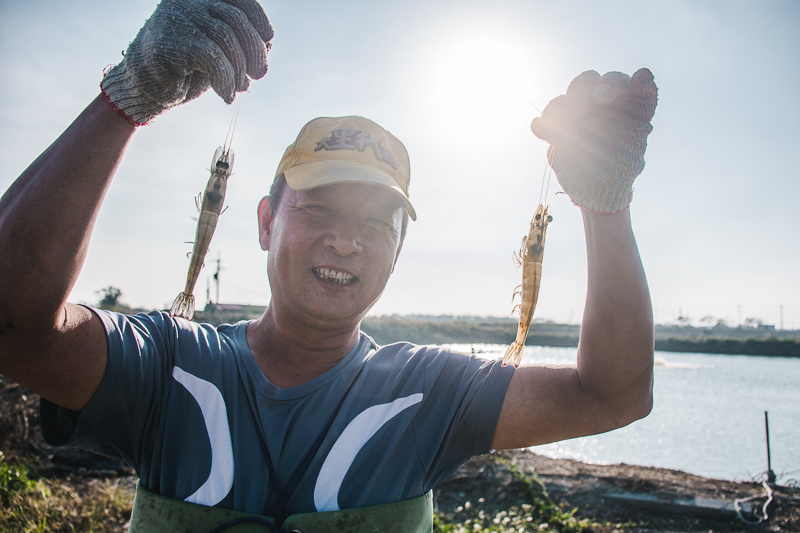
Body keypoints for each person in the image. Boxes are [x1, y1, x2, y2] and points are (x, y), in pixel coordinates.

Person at [0, 1, 656, 531]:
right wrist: (128, 94)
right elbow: (14, 326)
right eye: (320, 210)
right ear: (265, 221)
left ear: (398, 250)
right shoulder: (170, 362)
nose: (347, 242)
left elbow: (612, 393)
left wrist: (605, 206)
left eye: (377, 222)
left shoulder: (430, 391)